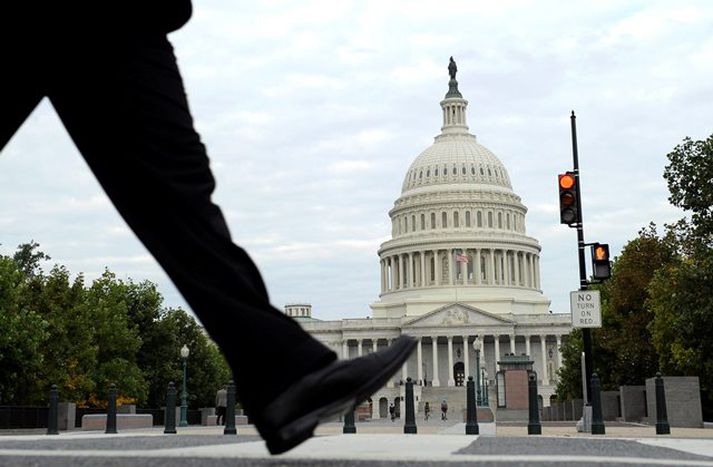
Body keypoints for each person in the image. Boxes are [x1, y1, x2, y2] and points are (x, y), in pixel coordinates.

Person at [2, 3, 416, 455]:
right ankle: (283, 372)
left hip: (120, 19)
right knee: (173, 187)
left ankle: (282, 370)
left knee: (176, 185)